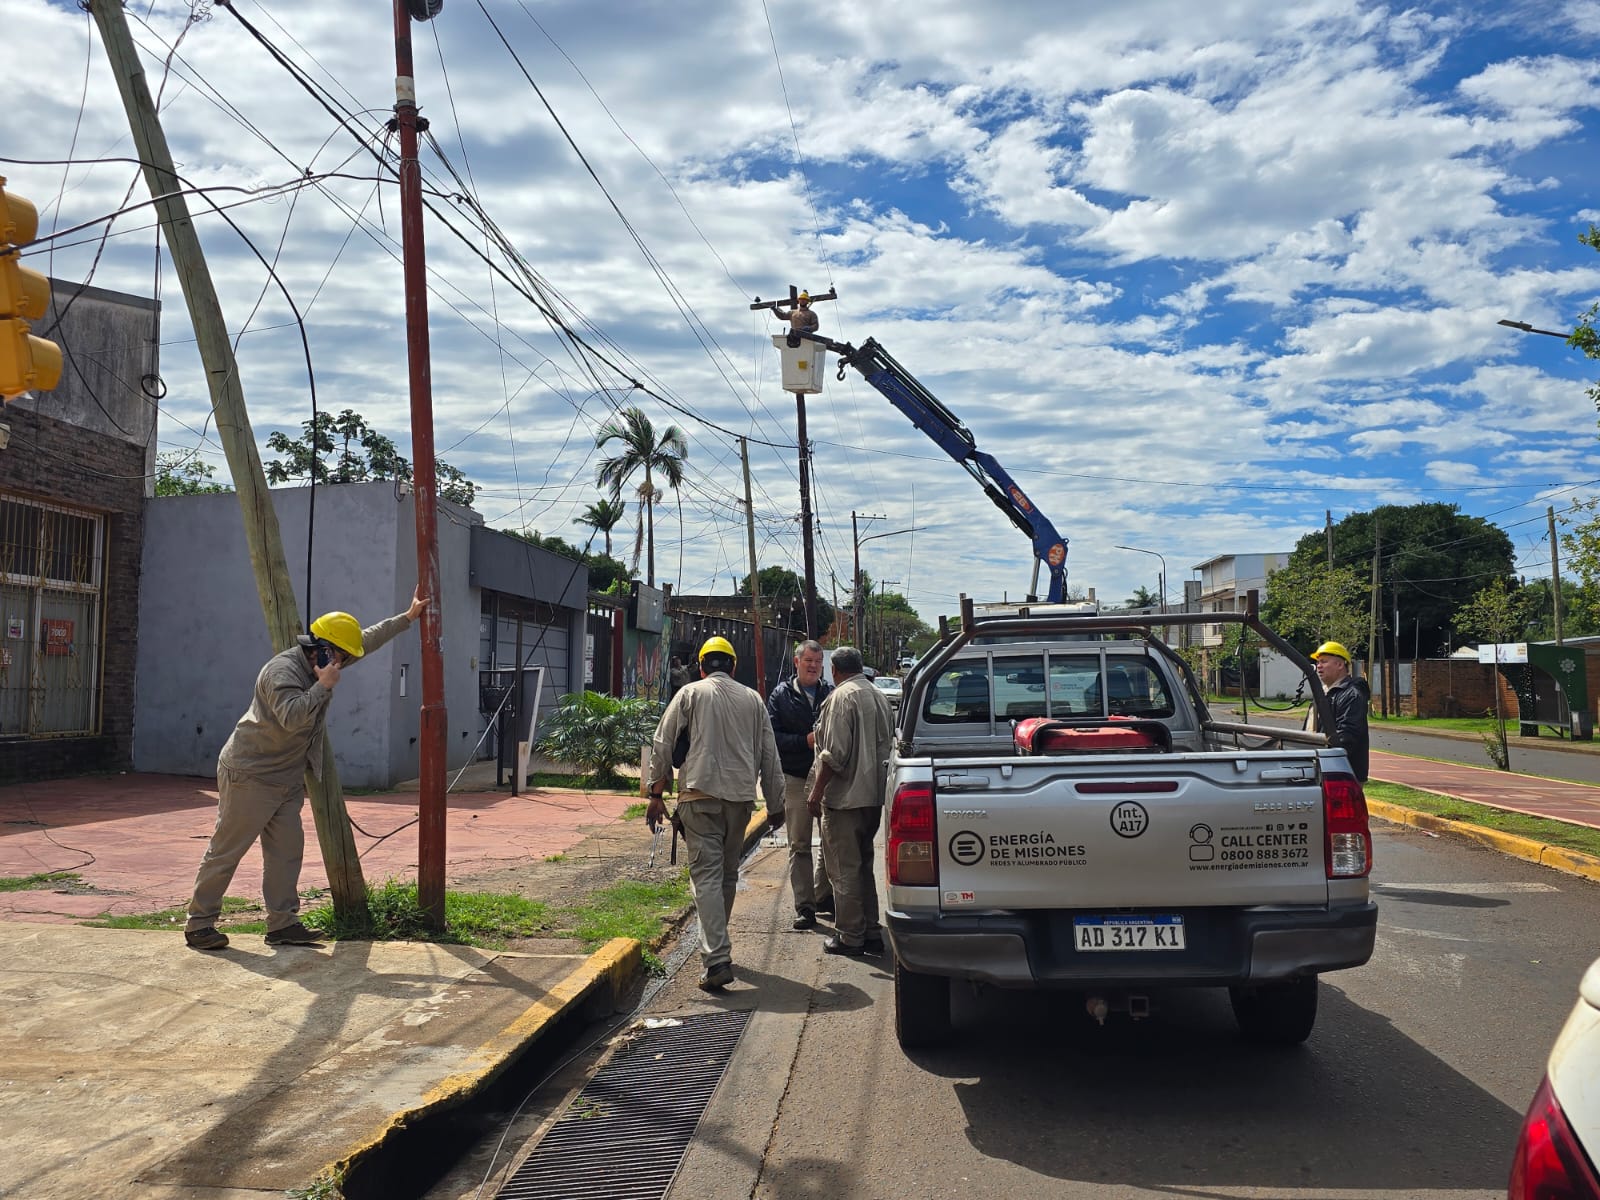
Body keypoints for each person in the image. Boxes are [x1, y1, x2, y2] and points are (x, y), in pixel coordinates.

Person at [184, 589, 427, 951]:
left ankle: (282, 924)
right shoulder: (282, 672)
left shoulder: (328, 658)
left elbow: (365, 640)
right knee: (227, 850)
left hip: (286, 778)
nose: (343, 663)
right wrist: (323, 687)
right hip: (250, 775)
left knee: (286, 853)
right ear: (322, 648)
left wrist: (407, 618)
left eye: (345, 657)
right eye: (340, 656)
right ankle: (199, 925)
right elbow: (293, 718)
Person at [646, 635, 783, 991]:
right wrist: (776, 804)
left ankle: (717, 957)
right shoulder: (753, 699)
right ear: (734, 667)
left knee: (706, 877)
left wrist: (655, 793)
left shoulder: (690, 693)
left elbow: (662, 743)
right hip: (739, 801)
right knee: (725, 876)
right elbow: (770, 756)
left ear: (703, 667)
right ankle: (717, 949)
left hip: (698, 796)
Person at [807, 645, 894, 956]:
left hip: (844, 799)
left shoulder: (841, 698)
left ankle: (849, 935)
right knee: (862, 866)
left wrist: (816, 792)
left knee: (843, 870)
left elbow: (833, 755)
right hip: (873, 797)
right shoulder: (878, 695)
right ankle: (870, 929)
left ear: (835, 670)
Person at [767, 639, 835, 930]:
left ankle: (824, 895)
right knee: (800, 843)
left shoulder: (831, 693)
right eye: (808, 661)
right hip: (795, 777)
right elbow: (772, 737)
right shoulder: (781, 695)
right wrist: (803, 742)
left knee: (831, 842)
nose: (813, 667)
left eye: (818, 662)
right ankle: (805, 907)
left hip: (826, 778)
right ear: (797, 662)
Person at [1308, 640, 1371, 781]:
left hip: (1340, 774)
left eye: (1324, 662)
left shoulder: (1352, 695)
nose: (1318, 666)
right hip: (1322, 769)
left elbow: (1347, 737)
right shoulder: (1324, 693)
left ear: (1340, 664)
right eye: (1318, 662)